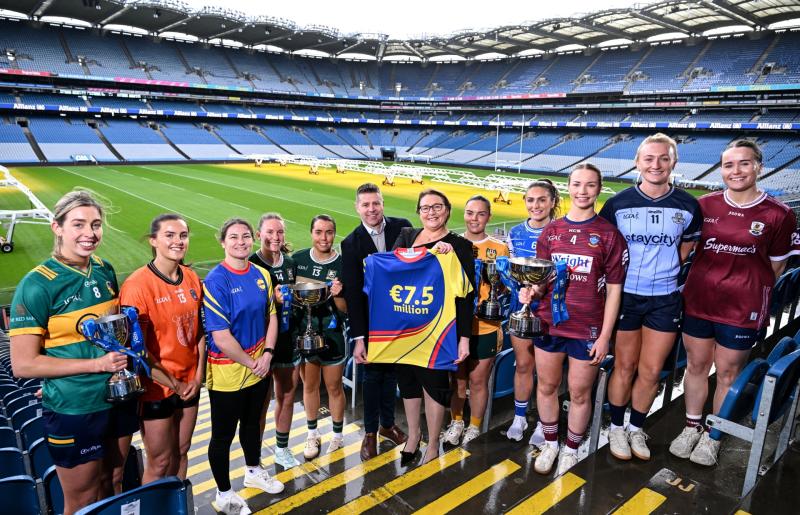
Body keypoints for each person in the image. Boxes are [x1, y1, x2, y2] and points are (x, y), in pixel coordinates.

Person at [670, 140, 800, 466]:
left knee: (728, 373)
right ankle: (691, 426)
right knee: (696, 366)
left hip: (742, 308)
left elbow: (776, 266)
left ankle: (713, 435)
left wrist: (744, 287)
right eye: (729, 165)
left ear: (759, 166)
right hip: (699, 300)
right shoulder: (705, 206)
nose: (736, 171)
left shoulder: (779, 214)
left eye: (744, 163)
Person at [9, 190, 137, 514]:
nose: (90, 233)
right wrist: (96, 365)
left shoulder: (104, 269)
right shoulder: (37, 284)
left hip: (117, 397)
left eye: (96, 224)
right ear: (57, 227)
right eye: (78, 224)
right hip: (75, 407)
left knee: (115, 480)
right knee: (83, 500)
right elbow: (23, 364)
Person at [598, 134, 702, 462]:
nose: (656, 165)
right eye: (649, 158)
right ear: (637, 162)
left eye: (664, 158)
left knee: (652, 369)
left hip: (665, 299)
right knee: (624, 365)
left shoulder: (688, 205)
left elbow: (685, 249)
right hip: (626, 296)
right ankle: (616, 427)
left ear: (674, 162)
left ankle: (635, 427)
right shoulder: (617, 204)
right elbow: (607, 252)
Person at [521, 163, 627, 476]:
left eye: (590, 185)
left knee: (580, 393)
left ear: (599, 189)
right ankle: (550, 444)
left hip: (587, 328)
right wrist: (531, 291)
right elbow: (542, 280)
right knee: (547, 386)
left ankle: (571, 448)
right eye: (577, 184)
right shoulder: (552, 232)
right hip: (549, 323)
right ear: (568, 187)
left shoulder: (609, 234)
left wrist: (605, 336)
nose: (583, 191)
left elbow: (615, 291)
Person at [203, 218, 283, 515]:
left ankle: (253, 470)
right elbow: (221, 337)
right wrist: (253, 362)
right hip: (229, 372)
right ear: (223, 242)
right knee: (222, 435)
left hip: (260, 366)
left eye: (246, 236)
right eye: (234, 237)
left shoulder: (261, 274)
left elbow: (271, 316)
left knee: (252, 424)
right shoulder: (216, 280)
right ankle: (224, 493)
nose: (241, 242)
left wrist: (268, 355)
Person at [389, 189, 474, 465]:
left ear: (447, 210)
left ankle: (434, 442)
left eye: (437, 207)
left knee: (434, 385)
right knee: (408, 383)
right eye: (425, 208)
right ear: (418, 212)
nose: (431, 212)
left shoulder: (459, 246)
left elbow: (465, 296)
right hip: (404, 325)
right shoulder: (406, 236)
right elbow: (393, 268)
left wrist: (463, 338)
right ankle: (414, 436)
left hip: (439, 329)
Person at [119, 214, 206, 482]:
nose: (178, 241)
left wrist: (198, 376)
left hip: (189, 383)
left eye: (183, 235)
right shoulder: (137, 286)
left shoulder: (191, 278)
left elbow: (199, 333)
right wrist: (175, 384)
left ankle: (178, 502)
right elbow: (138, 351)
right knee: (159, 462)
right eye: (169, 235)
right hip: (156, 388)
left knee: (182, 450)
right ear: (153, 240)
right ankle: (155, 503)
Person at [341, 183, 410, 460]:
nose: (371, 209)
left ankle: (388, 425)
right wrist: (358, 338)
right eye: (366, 204)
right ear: (357, 208)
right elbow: (353, 294)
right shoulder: (351, 243)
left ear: (382, 203)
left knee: (391, 375)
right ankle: (370, 432)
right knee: (372, 378)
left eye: (376, 203)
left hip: (400, 318)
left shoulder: (403, 228)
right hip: (371, 324)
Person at [442, 195, 509, 446]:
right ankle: (457, 422)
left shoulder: (499, 248)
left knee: (479, 381)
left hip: (485, 325)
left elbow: (505, 286)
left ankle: (474, 426)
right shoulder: (451, 245)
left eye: (481, 214)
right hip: (456, 324)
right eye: (470, 213)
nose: (474, 219)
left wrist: (500, 287)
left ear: (489, 217)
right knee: (458, 380)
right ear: (464, 215)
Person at [504, 179, 560, 445]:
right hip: (522, 305)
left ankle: (543, 421)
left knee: (547, 373)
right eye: (530, 200)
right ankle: (519, 417)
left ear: (552, 202)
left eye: (542, 200)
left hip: (550, 309)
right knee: (524, 365)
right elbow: (512, 272)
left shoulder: (561, 231)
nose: (535, 205)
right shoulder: (516, 232)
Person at [293, 214, 347, 459]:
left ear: (334, 233)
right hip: (305, 334)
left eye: (329, 232)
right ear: (311, 233)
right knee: (310, 385)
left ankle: (337, 434)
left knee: (334, 386)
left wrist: (338, 294)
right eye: (318, 232)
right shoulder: (298, 260)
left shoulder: (343, 264)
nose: (324, 237)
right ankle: (312, 434)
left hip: (333, 334)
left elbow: (346, 310)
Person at [250, 213, 300, 468]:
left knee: (287, 394)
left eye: (279, 232)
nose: (275, 237)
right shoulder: (251, 264)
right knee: (259, 404)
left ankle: (281, 449)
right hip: (260, 343)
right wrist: (272, 301)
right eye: (270, 232)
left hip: (287, 339)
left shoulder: (290, 263)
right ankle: (255, 457)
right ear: (259, 235)